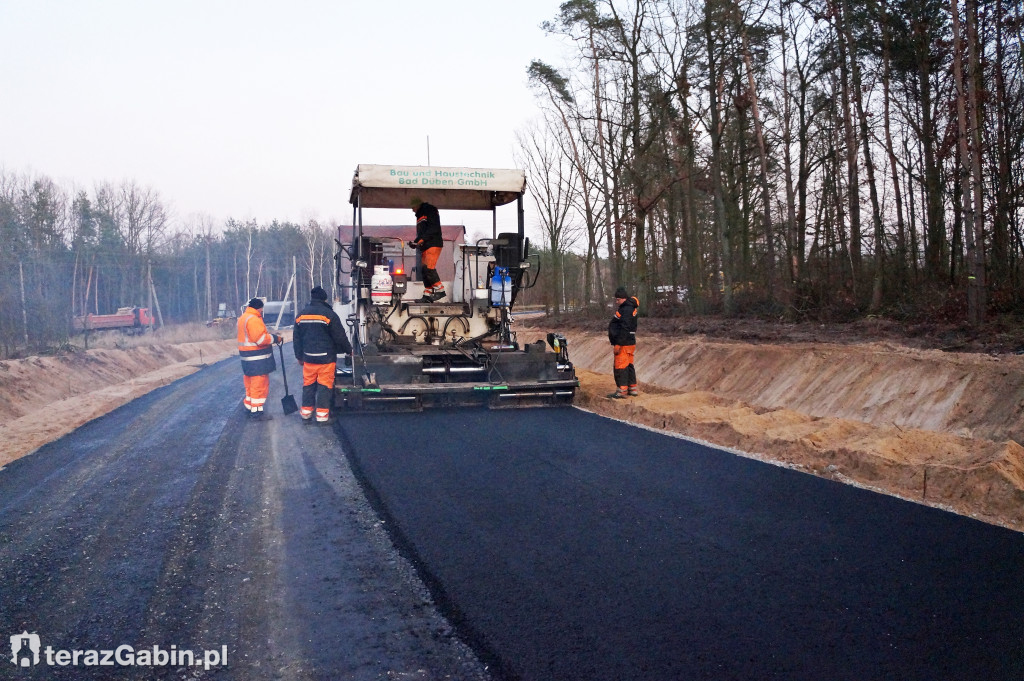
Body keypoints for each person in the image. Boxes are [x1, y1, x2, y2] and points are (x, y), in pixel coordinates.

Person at [294, 286, 352, 424]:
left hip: (308, 358)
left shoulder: (301, 315)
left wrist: (299, 357)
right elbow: (340, 337)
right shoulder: (329, 314)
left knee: (308, 385)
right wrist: (349, 350)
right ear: (324, 299)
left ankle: (306, 414)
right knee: (324, 387)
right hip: (326, 358)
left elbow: (297, 339)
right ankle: (322, 417)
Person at [237, 298, 282, 418]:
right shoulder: (253, 319)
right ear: (259, 307)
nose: (262, 311)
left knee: (250, 384)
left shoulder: (243, 318)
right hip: (257, 358)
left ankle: (249, 406)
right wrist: (275, 338)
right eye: (262, 308)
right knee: (259, 385)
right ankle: (257, 411)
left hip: (247, 358)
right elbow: (260, 339)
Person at [409, 196, 446, 302]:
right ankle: (427, 295)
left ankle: (440, 291)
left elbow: (433, 229)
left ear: (417, 205)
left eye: (413, 207)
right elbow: (421, 233)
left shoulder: (429, 210)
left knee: (429, 269)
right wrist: (415, 242)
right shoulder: (420, 215)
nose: (412, 210)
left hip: (433, 243)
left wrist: (421, 240)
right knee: (424, 270)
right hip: (426, 245)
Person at [607, 286, 640, 399]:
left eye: (617, 299)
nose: (616, 301)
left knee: (621, 366)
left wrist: (618, 343)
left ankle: (622, 391)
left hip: (624, 343)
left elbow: (624, 328)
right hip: (630, 342)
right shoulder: (629, 308)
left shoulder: (626, 309)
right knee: (629, 365)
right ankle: (632, 388)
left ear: (623, 298)